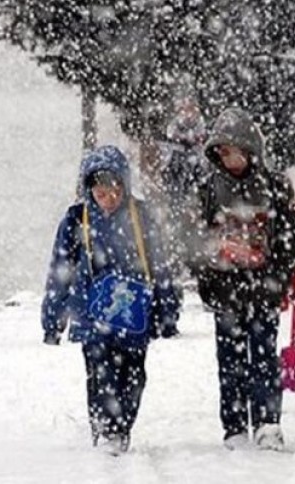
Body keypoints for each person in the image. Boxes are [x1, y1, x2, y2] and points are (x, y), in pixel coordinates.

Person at [41, 145, 180, 455]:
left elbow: (160, 265)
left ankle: (122, 426)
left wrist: (167, 310)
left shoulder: (141, 217)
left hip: (134, 315)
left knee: (134, 376)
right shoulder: (77, 219)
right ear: (90, 190)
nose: (108, 200)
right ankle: (106, 429)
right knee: (100, 373)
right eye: (101, 193)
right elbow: (60, 269)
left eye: (114, 191)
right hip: (92, 314)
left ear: (124, 186)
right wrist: (53, 318)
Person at [185, 108, 295, 451]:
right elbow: (193, 239)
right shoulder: (208, 190)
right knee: (230, 360)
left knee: (264, 357)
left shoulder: (274, 186)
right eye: (222, 152)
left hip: (264, 289)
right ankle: (235, 426)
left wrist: (278, 274)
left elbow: (294, 234)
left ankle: (269, 422)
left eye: (233, 151)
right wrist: (210, 271)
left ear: (250, 149)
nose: (228, 159)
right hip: (226, 292)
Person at [155, 97, 209, 322]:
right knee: (175, 247)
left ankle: (206, 291)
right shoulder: (172, 143)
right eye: (184, 108)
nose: (187, 113)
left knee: (200, 248)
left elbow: (204, 177)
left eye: (191, 108)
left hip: (196, 208)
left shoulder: (204, 143)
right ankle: (173, 298)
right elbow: (168, 175)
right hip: (177, 206)